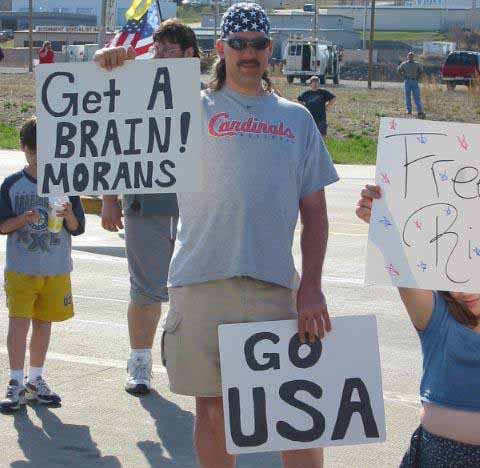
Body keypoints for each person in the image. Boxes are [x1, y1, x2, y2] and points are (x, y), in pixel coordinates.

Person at [163, 3, 338, 467]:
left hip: (273, 285)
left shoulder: (297, 119)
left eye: (258, 44)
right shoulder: (184, 108)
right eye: (237, 43)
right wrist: (112, 65)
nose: (248, 53)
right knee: (213, 410)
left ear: (270, 49)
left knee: (296, 417)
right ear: (220, 48)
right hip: (201, 279)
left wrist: (313, 287)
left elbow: (316, 216)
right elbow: (119, 109)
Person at [95, 19, 202, 395]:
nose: (160, 55)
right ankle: (139, 361)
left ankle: (197, 360)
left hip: (197, 208)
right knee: (144, 291)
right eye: (157, 49)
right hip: (145, 203)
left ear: (190, 54)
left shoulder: (209, 95)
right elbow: (115, 139)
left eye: (169, 49)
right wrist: (110, 198)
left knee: (201, 290)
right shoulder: (135, 88)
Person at [356, 184, 480, 467]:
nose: (462, 292)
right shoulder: (437, 318)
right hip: (436, 457)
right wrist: (380, 221)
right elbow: (399, 262)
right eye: (453, 282)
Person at [0, 116, 85, 412]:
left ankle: (35, 380)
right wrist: (22, 219)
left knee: (44, 324)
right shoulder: (12, 185)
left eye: (46, 150)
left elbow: (76, 227)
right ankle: (14, 382)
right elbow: (2, 226)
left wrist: (67, 213)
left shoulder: (65, 184)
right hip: (21, 268)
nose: (40, 157)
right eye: (34, 150)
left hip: (55, 268)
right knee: (18, 324)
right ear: (24, 149)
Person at [397, 51, 425, 119]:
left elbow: (421, 72)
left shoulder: (417, 64)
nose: (410, 57)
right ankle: (409, 110)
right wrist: (403, 76)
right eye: (409, 56)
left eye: (411, 56)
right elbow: (399, 70)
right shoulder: (404, 64)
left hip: (414, 81)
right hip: (407, 81)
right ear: (407, 57)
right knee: (407, 96)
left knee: (417, 96)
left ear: (413, 57)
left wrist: (418, 77)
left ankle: (420, 111)